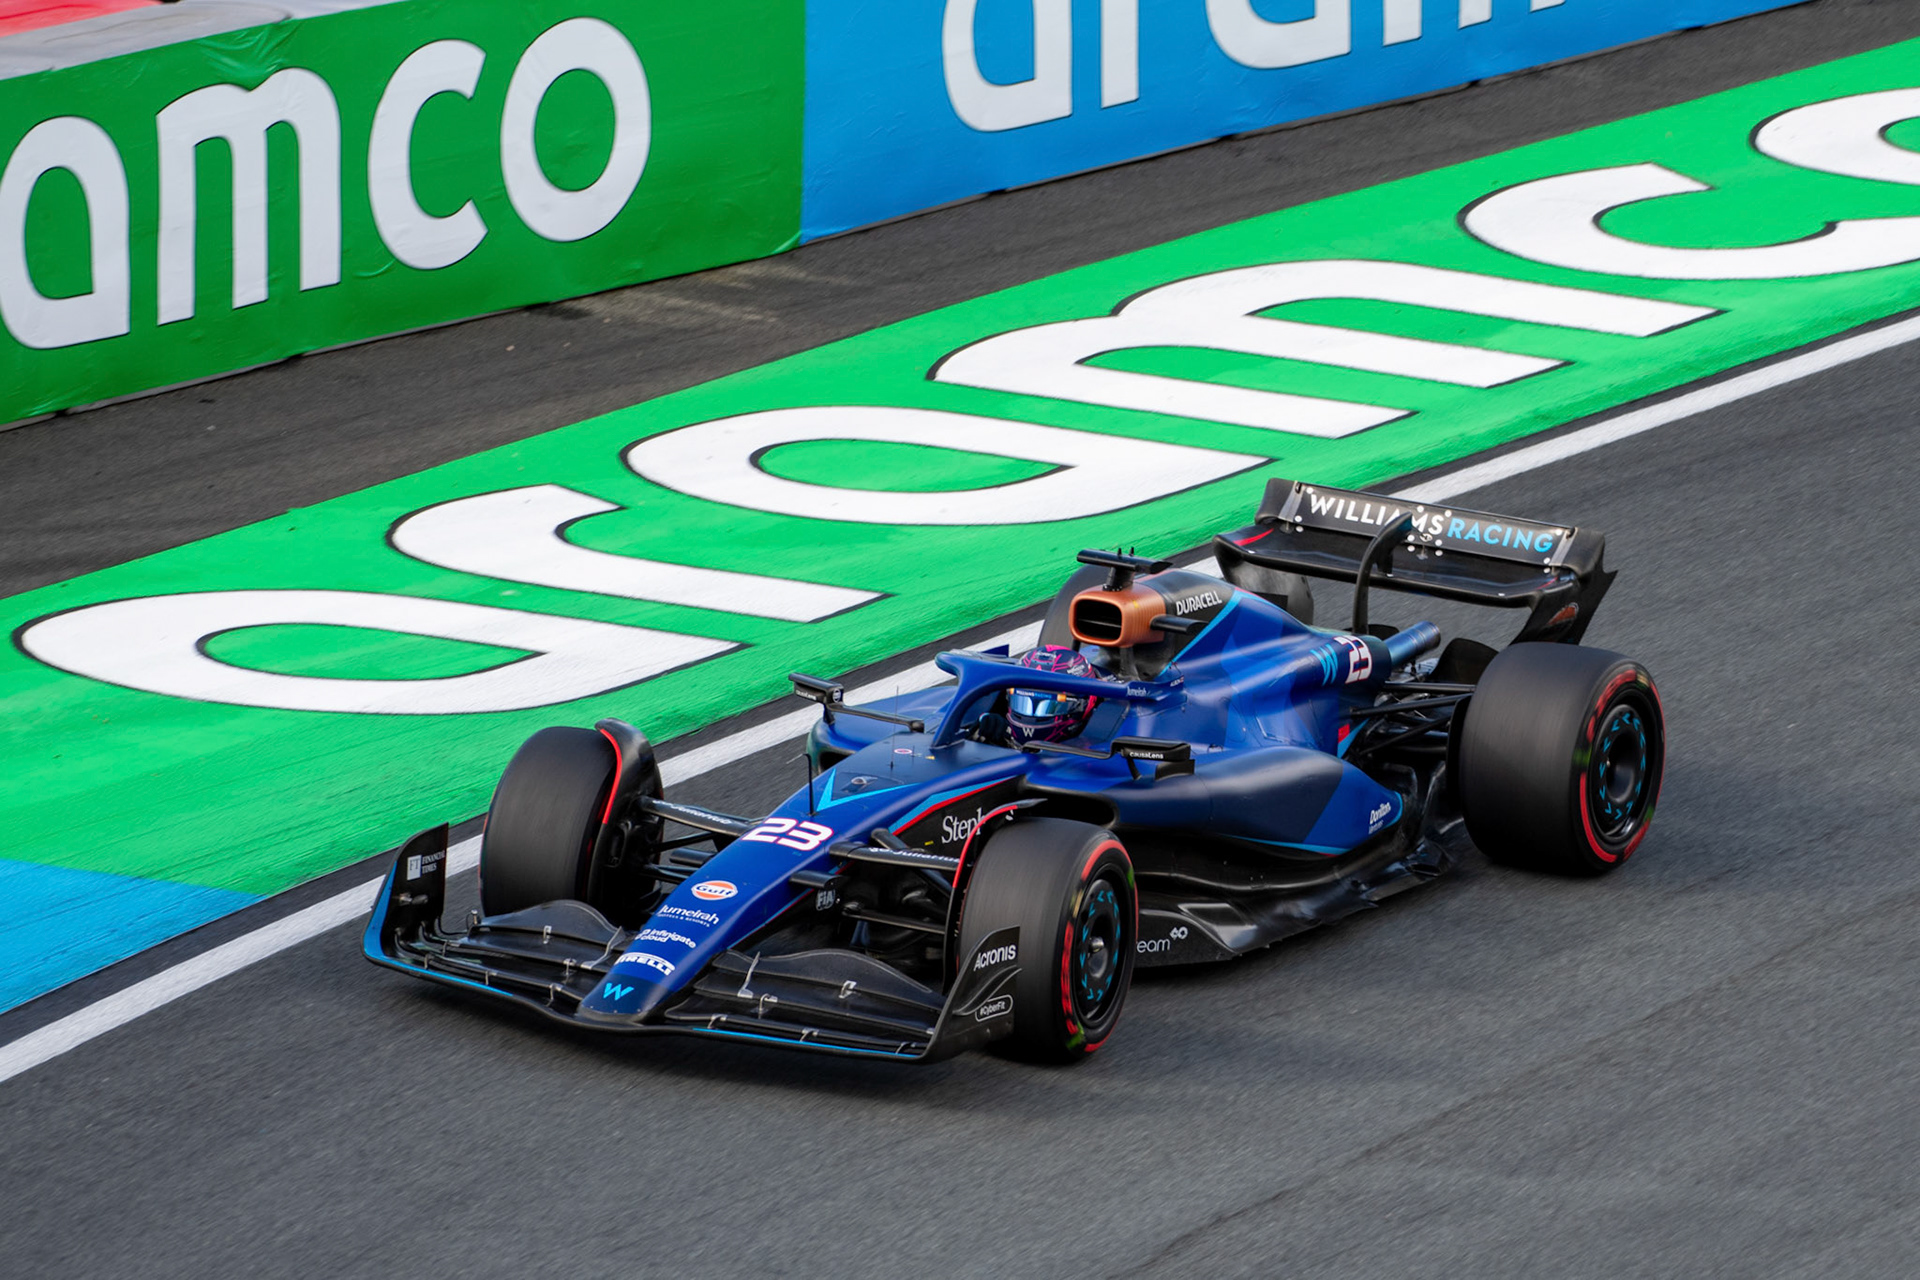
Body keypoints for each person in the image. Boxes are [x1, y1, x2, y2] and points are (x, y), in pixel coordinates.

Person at [1004, 645, 1105, 744]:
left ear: (1081, 704)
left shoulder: (1101, 744)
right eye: (1022, 703)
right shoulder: (993, 726)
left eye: (1048, 707)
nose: (1029, 718)